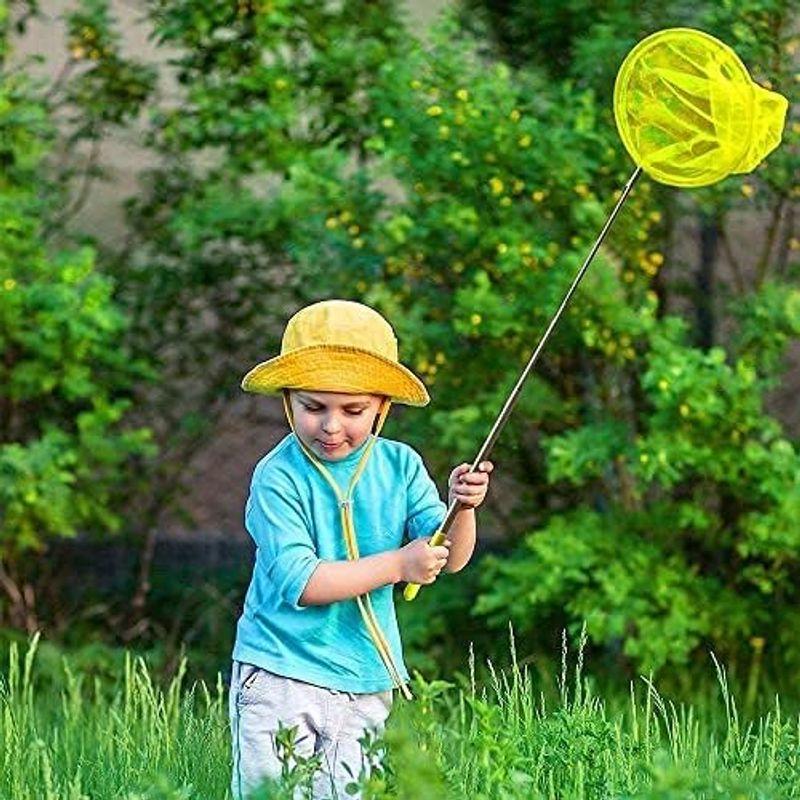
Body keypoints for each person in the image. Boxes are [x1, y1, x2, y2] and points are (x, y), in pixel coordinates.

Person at [229, 299, 493, 799]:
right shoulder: (277, 477)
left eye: (353, 411)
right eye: (313, 407)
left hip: (365, 678)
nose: (331, 426)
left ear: (381, 407)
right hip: (282, 671)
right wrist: (398, 564)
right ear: (289, 401)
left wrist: (464, 508)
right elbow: (303, 583)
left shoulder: (401, 466)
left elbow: (450, 556)